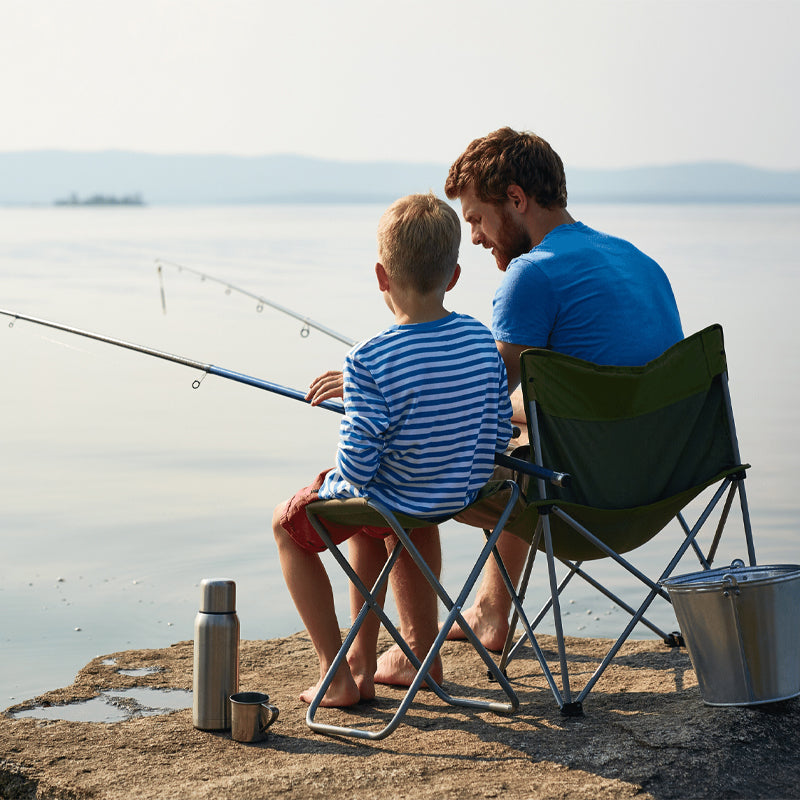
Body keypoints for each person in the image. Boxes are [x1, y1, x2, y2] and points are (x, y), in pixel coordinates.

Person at [316, 126, 684, 687]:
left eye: (477, 219)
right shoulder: (637, 258)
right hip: (666, 479)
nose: (478, 237)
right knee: (520, 437)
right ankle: (490, 607)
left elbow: (474, 396)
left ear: (516, 199)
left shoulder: (530, 275)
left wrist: (384, 382)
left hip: (583, 495)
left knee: (405, 468)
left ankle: (417, 650)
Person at [273, 191, 513, 708]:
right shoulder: (479, 340)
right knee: (378, 520)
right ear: (452, 276)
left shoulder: (367, 359)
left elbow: (357, 469)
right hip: (463, 493)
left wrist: (328, 484)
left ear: (381, 276)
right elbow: (497, 433)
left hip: (398, 500)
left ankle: (333, 672)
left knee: (288, 524)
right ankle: (385, 662)